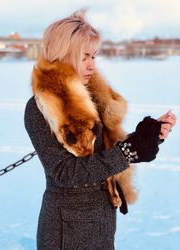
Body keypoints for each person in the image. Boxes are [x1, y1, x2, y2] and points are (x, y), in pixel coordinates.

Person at [24, 10, 176, 250]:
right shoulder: (41, 108)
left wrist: (145, 138)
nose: (92, 65)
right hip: (66, 232)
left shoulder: (92, 100)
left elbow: (105, 153)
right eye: (84, 57)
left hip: (102, 222)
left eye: (94, 56)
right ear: (64, 54)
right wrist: (127, 152)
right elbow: (64, 173)